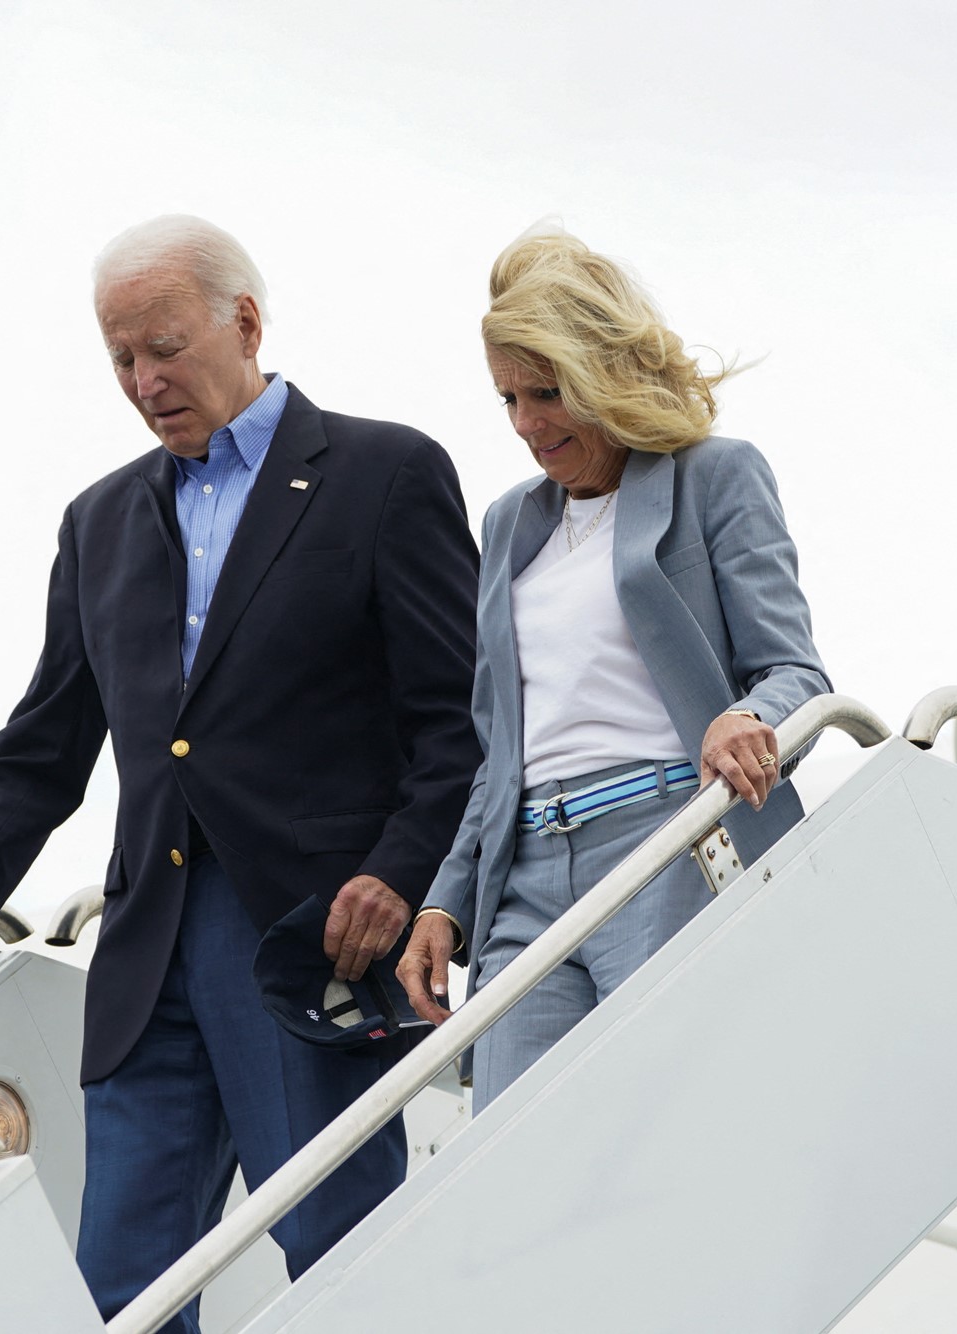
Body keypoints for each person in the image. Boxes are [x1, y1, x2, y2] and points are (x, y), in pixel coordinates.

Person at [0, 215, 481, 1325]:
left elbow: (456, 719)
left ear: (244, 321)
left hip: (308, 939)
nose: (143, 380)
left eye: (164, 347)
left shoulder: (385, 472)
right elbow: (40, 748)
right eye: (120, 358)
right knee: (123, 1287)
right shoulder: (96, 524)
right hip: (146, 955)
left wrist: (403, 871)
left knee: (338, 1252)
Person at [395, 230, 828, 1111]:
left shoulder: (717, 475)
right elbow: (500, 751)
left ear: (604, 372)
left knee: (667, 1124)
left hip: (664, 843)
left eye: (548, 393)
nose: (526, 423)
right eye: (508, 398)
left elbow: (795, 674)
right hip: (521, 882)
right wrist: (444, 901)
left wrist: (744, 720)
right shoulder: (510, 524)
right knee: (513, 1153)